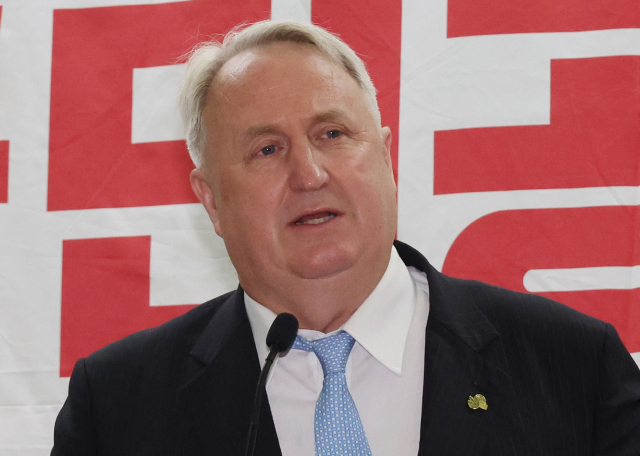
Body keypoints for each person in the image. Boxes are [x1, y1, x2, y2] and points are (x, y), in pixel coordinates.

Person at [52, 20, 640, 456]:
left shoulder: (572, 366)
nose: (309, 174)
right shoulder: (118, 408)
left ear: (385, 158)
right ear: (212, 201)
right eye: (267, 149)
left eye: (332, 134)